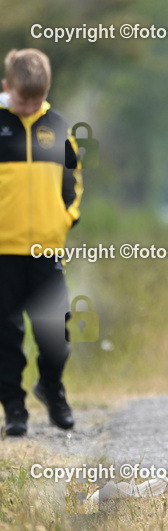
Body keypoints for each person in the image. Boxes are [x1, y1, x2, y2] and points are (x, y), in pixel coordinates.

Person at [0, 49, 82, 436]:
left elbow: (73, 181)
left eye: (37, 99)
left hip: (46, 250)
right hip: (3, 252)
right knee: (5, 336)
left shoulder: (59, 125)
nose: (31, 106)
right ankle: (14, 408)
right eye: (22, 100)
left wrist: (66, 219)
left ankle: (51, 387)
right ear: (6, 88)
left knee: (57, 334)